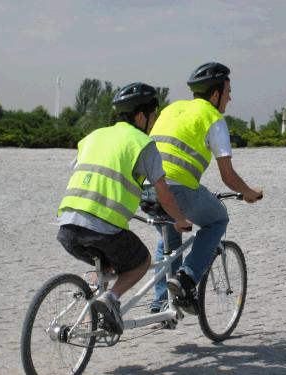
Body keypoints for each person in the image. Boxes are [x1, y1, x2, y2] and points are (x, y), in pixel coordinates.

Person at [56, 82, 192, 335]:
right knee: (141, 261)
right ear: (141, 115)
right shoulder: (142, 142)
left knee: (107, 264)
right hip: (102, 227)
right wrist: (180, 220)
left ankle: (92, 314)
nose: (154, 121)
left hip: (67, 225)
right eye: (154, 115)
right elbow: (164, 193)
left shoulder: (93, 136)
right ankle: (109, 299)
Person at [149, 62, 263, 315]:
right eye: (228, 91)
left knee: (170, 235)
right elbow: (228, 176)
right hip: (177, 189)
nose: (230, 98)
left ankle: (161, 304)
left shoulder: (172, 109)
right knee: (217, 219)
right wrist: (248, 192)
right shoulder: (213, 118)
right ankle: (187, 279)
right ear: (215, 94)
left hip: (146, 189)